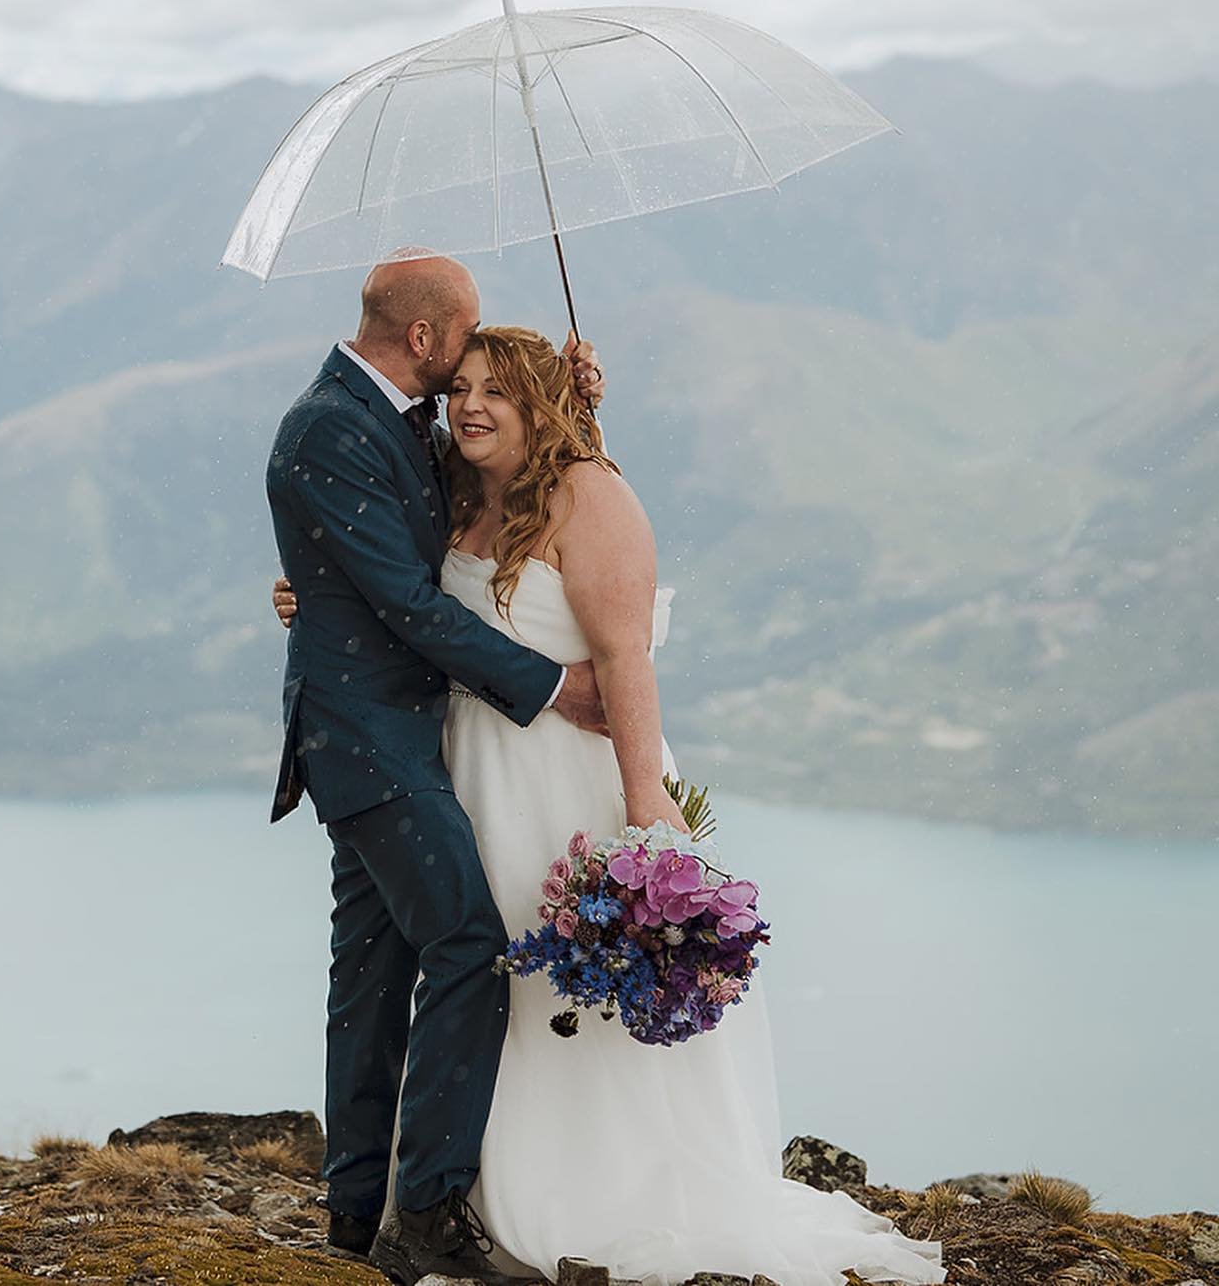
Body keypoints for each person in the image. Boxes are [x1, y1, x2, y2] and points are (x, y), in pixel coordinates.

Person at [277, 323, 946, 1286]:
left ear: (538, 406)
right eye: (460, 386)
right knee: (490, 979)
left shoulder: (590, 497)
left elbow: (627, 657)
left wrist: (646, 807)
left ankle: (594, 1192)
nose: (469, 405)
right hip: (473, 774)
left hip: (570, 786)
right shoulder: (455, 489)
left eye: (497, 392)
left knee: (560, 988)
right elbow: (395, 587)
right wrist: (313, 593)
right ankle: (461, 1191)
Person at [265, 253, 608, 1286]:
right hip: (368, 738)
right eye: (461, 349)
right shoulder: (330, 424)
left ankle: (353, 1214)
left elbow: (504, 493)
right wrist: (553, 686)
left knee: (371, 976)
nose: (464, 379)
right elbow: (410, 608)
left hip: (386, 733)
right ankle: (424, 1215)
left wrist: (575, 404)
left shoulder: (385, 414)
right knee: (467, 944)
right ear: (424, 336)